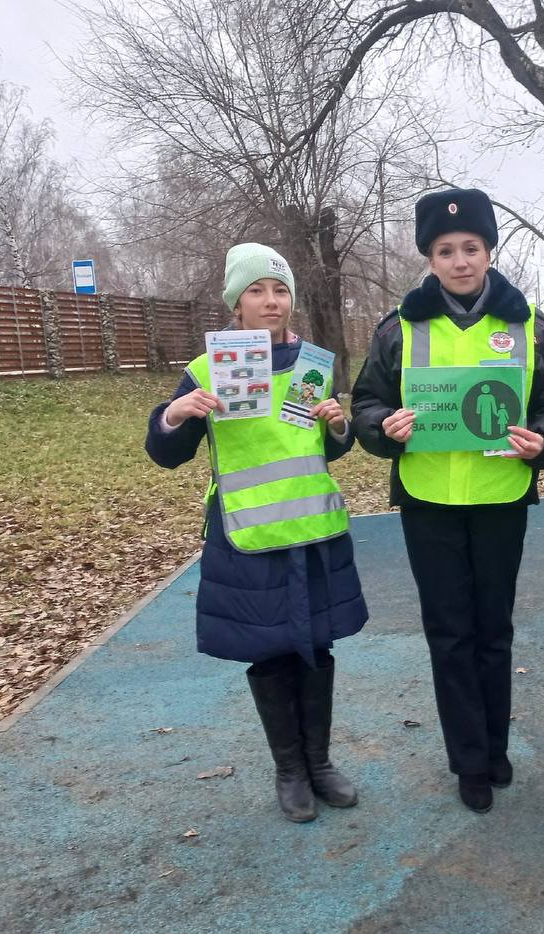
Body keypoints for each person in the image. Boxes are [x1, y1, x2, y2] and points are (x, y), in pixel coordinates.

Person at [351, 188, 544, 814]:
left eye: (470, 247)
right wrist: (382, 426)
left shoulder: (531, 326)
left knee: (493, 631)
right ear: (429, 258)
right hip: (430, 503)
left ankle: (495, 746)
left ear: (489, 250)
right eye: (445, 251)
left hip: (501, 498)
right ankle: (468, 761)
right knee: (449, 634)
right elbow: (366, 401)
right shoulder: (398, 329)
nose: (459, 261)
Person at [146, 243, 368, 824]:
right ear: (235, 303)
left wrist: (339, 425)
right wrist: (177, 414)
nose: (272, 302)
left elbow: (326, 447)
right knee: (268, 651)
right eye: (257, 291)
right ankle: (290, 771)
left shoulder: (314, 363)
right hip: (246, 532)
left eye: (281, 291)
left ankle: (319, 764)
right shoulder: (205, 370)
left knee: (316, 646)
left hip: (313, 529)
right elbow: (165, 453)